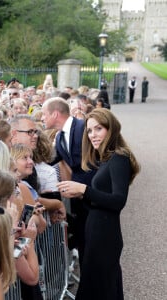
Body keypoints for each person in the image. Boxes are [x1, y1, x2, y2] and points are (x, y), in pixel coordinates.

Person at [57, 108, 140, 300]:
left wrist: (84, 190)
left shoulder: (119, 157)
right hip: (96, 230)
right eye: (89, 130)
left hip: (105, 235)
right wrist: (78, 199)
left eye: (98, 129)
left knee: (99, 289)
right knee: (103, 289)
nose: (93, 135)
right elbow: (100, 200)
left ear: (111, 129)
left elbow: (118, 201)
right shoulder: (106, 158)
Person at [41, 97, 95, 265]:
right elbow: (51, 160)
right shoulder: (59, 137)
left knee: (96, 247)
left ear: (55, 114)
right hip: (79, 201)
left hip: (94, 198)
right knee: (85, 245)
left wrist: (88, 190)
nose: (42, 118)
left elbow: (97, 162)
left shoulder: (83, 128)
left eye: (44, 114)